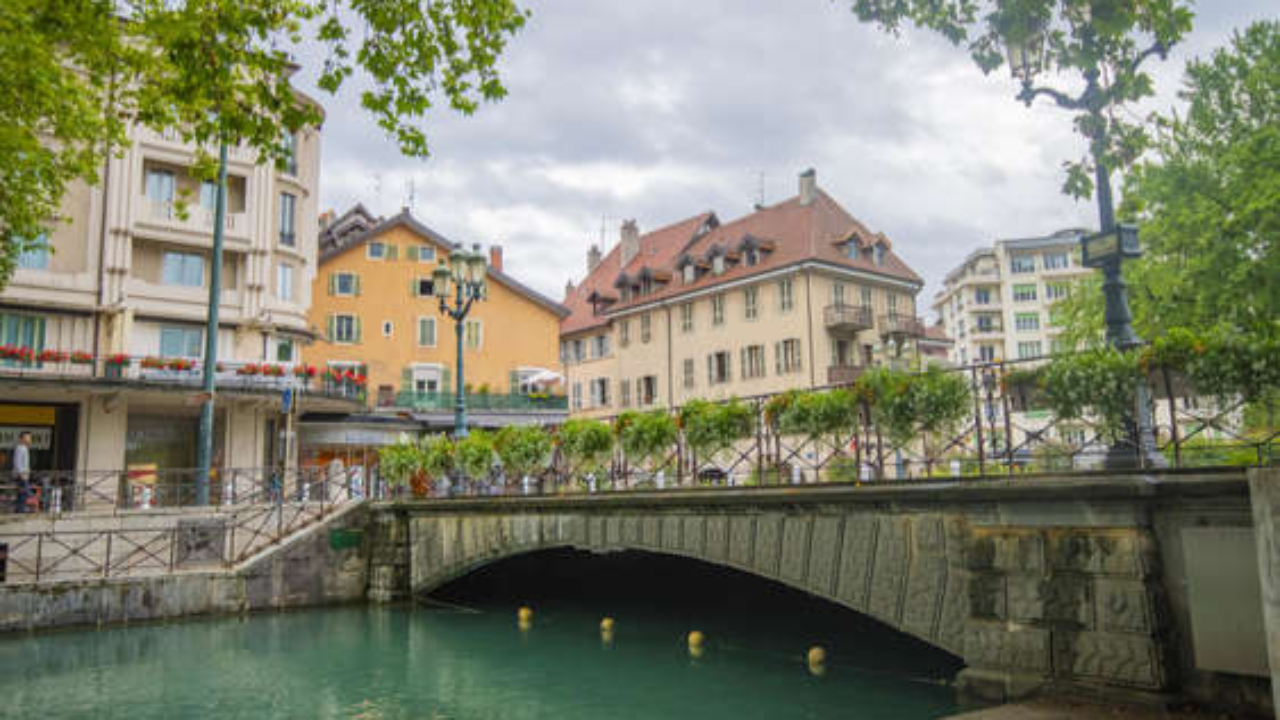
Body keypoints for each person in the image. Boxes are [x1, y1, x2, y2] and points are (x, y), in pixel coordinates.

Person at [11, 432, 32, 514]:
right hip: (21, 476)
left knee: (23, 493)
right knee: (24, 493)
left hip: (24, 475)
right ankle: (20, 510)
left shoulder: (24, 448)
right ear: (22, 438)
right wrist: (22, 474)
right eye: (28, 437)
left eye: (30, 438)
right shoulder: (20, 448)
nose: (30, 439)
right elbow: (17, 462)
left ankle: (20, 510)